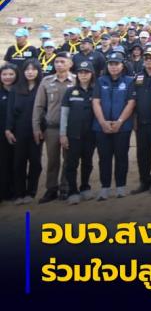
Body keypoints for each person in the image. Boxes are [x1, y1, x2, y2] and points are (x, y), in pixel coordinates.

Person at [32, 52, 76, 203]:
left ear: (70, 64)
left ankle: (65, 187)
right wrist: (36, 127)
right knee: (52, 160)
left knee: (69, 159)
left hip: (71, 128)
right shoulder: (46, 81)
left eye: (62, 61)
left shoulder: (76, 80)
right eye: (57, 62)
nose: (59, 64)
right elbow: (39, 106)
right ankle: (51, 189)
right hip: (51, 128)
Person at [92, 51, 135, 201]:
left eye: (116, 64)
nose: (113, 67)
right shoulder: (100, 80)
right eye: (111, 64)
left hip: (122, 127)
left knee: (121, 156)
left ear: (122, 65)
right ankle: (105, 187)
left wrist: (120, 121)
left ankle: (121, 186)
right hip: (101, 127)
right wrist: (102, 122)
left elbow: (131, 103)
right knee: (104, 157)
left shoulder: (129, 81)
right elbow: (96, 102)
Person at [5, 59, 43, 205]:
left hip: (36, 131)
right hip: (19, 130)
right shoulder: (16, 89)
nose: (30, 72)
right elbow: (10, 111)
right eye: (27, 69)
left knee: (35, 162)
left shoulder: (42, 87)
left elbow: (45, 110)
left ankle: (31, 192)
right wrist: (8, 129)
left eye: (33, 69)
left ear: (38, 71)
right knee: (19, 162)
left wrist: (41, 128)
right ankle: (19, 193)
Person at [60, 61, 96, 205]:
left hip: (90, 134)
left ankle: (85, 187)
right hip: (73, 134)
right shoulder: (70, 91)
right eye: (80, 72)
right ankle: (73, 191)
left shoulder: (96, 91)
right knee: (71, 164)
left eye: (86, 72)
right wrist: (63, 134)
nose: (83, 75)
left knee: (87, 162)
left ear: (91, 74)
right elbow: (64, 114)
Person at [131, 45, 151, 195]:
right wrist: (134, 118)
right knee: (142, 153)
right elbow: (133, 99)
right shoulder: (138, 76)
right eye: (146, 57)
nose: (148, 60)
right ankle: (144, 181)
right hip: (142, 122)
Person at [0, 64, 18, 202]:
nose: (7, 77)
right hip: (1, 133)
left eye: (11, 74)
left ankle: (13, 190)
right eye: (4, 74)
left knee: (15, 162)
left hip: (17, 132)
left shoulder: (20, 91)